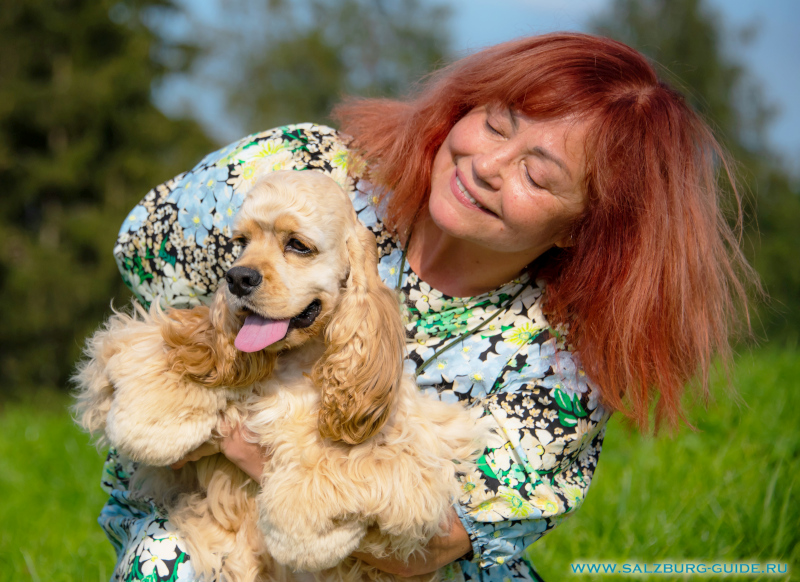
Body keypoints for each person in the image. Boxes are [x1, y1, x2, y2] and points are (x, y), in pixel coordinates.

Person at [104, 33, 753, 582]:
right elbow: (143, 254)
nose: (489, 165)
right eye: (496, 124)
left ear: (580, 228)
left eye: (538, 174)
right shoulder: (304, 166)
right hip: (206, 521)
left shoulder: (561, 366)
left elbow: (435, 544)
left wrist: (253, 450)